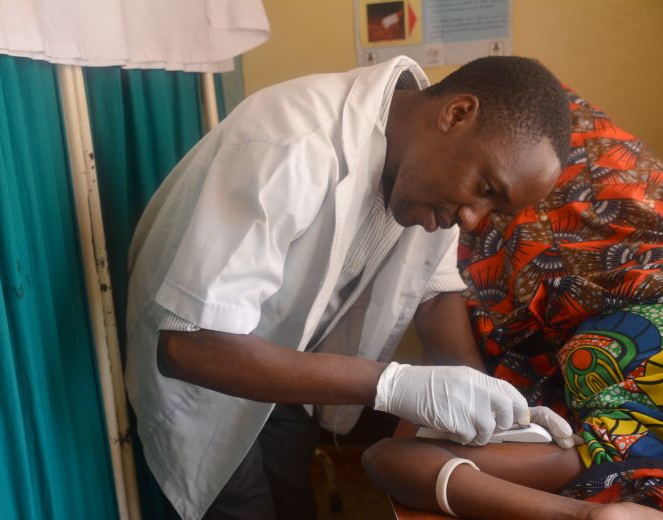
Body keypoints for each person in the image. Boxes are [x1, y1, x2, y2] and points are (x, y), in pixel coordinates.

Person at [125, 55, 573, 520]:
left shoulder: (436, 172)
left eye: (494, 209)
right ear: (456, 114)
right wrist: (393, 384)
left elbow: (435, 291)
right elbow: (185, 345)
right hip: (206, 377)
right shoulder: (292, 140)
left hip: (287, 360)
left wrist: (495, 408)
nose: (473, 218)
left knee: (293, 498)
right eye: (486, 188)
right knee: (242, 504)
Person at [362, 304, 663, 519]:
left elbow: (389, 457)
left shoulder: (618, 451)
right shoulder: (622, 443)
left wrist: (582, 514)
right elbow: (387, 457)